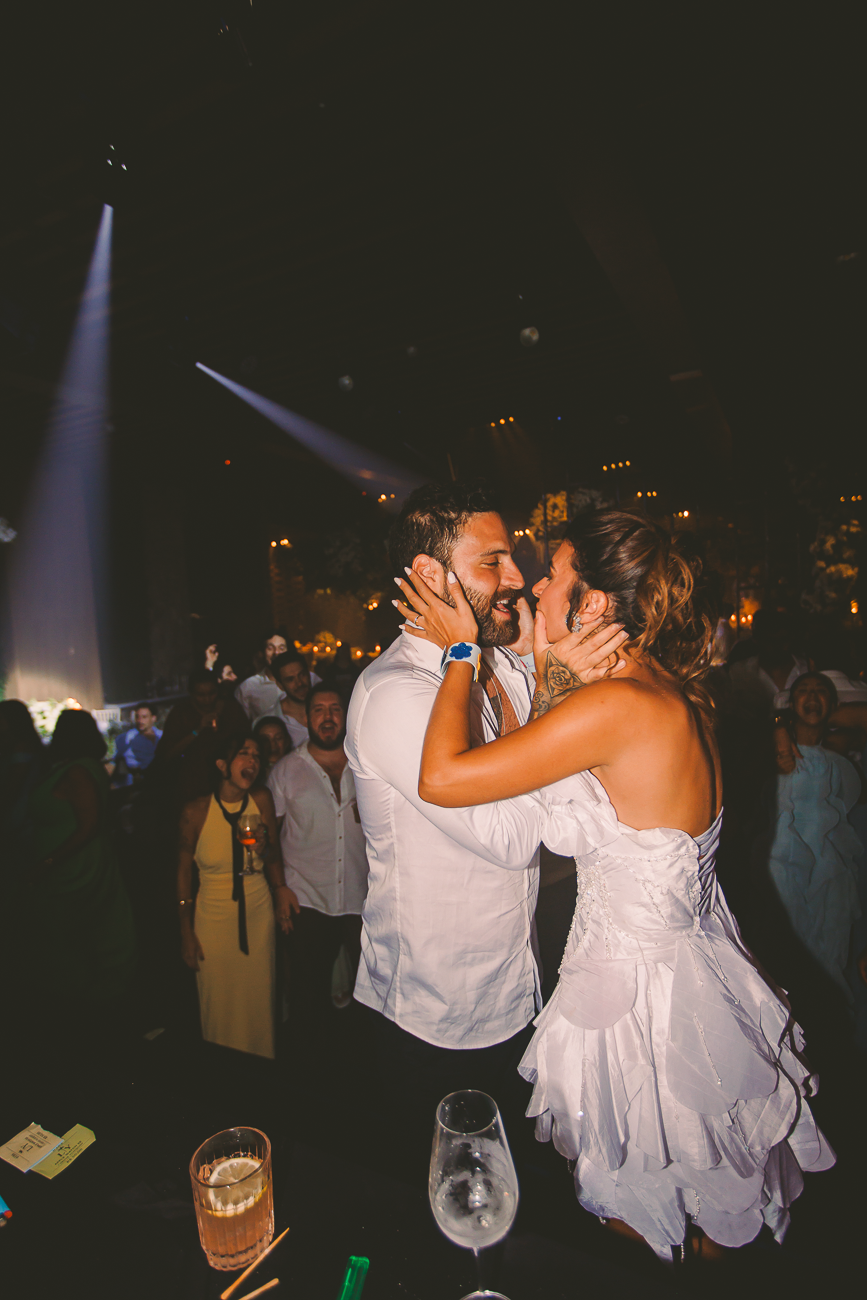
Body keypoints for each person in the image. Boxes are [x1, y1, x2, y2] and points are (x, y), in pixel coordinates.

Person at [395, 507, 834, 1262]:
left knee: (641, 1221)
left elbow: (440, 776)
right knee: (691, 1210)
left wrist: (458, 648)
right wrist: (548, 676)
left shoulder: (615, 707)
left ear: (593, 602)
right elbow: (568, 778)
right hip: (681, 972)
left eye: (555, 573)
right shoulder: (661, 691)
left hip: (645, 1006)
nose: (537, 583)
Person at [345, 481, 620, 1142]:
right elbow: (513, 840)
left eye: (513, 559)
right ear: (428, 575)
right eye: (491, 561)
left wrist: (544, 675)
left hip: (516, 988)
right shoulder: (396, 697)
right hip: (433, 1014)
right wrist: (556, 699)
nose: (517, 577)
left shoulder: (504, 669)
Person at [176, 732, 300, 1060]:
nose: (253, 761)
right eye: (244, 754)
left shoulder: (261, 799)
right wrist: (186, 931)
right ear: (222, 765)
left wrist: (265, 851)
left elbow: (273, 856)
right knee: (219, 1001)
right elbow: (183, 874)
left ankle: (262, 1068)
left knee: (259, 1001)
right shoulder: (196, 811)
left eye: (257, 756)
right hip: (212, 918)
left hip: (258, 912)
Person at [267, 684, 368, 1037]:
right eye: (319, 710)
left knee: (367, 998)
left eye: (335, 709)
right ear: (307, 718)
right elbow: (269, 837)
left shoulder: (366, 764)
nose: (327, 718)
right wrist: (279, 887)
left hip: (362, 897)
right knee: (308, 999)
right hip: (305, 897)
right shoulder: (285, 771)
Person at [26, 709, 136, 1009]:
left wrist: (47, 863)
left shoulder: (78, 771)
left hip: (75, 867)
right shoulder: (78, 767)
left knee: (76, 929)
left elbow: (88, 826)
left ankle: (83, 1002)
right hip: (76, 863)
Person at [153, 668, 248, 804]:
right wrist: (198, 730)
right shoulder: (181, 713)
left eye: (212, 693)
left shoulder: (231, 709)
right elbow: (168, 753)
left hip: (228, 783)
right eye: (201, 695)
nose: (207, 699)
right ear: (191, 694)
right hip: (193, 785)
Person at [255, 649, 319, 749]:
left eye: (302, 675)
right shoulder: (266, 723)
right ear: (280, 685)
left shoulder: (330, 711)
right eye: (290, 679)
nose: (299, 683)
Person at [235, 630, 289, 720]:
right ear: (262, 653)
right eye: (270, 648)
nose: (276, 652)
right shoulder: (248, 687)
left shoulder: (307, 680)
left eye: (281, 648)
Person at [113, 702, 162, 788]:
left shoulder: (162, 736)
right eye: (137, 717)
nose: (140, 721)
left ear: (153, 718)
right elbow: (115, 761)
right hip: (140, 782)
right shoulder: (127, 738)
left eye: (144, 717)